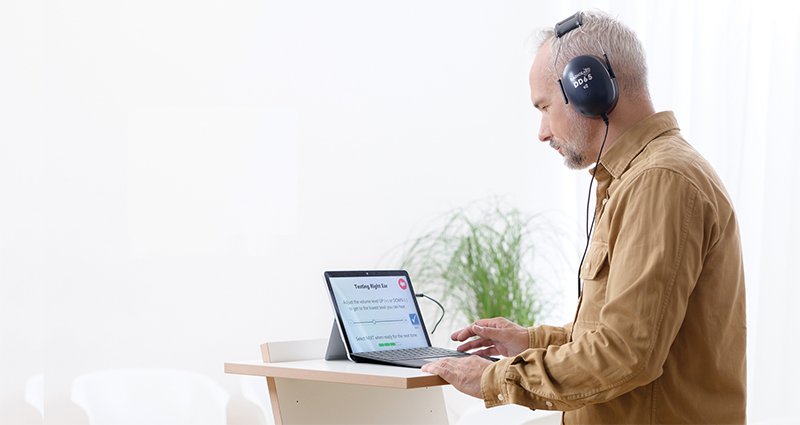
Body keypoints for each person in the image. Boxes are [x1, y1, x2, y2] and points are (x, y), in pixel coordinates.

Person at [421, 10, 746, 424]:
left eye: (544, 106)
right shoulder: (638, 179)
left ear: (586, 87)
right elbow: (620, 335)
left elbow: (627, 354)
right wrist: (528, 340)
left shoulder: (660, 180)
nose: (541, 131)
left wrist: (494, 378)